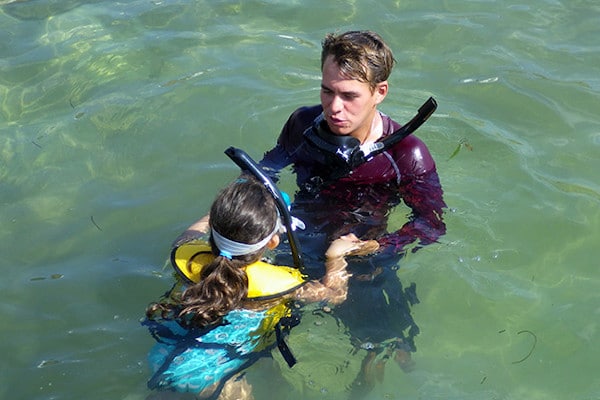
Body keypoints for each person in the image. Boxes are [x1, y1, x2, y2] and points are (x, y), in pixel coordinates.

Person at [259, 30, 447, 396]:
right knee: (255, 330)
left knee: (383, 344)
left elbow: (431, 225)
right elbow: (269, 167)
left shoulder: (408, 155)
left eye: (349, 96)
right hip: (297, 239)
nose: (334, 107)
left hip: (364, 260)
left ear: (380, 92)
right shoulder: (303, 124)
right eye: (327, 91)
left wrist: (369, 249)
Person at [143, 175, 379, 400]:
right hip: (215, 376)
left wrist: (219, 216)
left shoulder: (187, 255)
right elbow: (335, 295)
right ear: (274, 241)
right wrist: (335, 256)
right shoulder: (283, 284)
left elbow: (189, 234)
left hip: (164, 357)